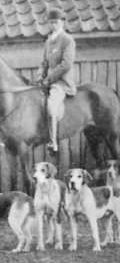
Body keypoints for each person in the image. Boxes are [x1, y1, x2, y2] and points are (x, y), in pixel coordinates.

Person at [37, 8, 76, 154]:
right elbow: (43, 62)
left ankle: (53, 142)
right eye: (50, 23)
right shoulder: (49, 41)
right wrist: (40, 75)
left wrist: (49, 78)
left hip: (61, 83)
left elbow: (66, 64)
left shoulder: (67, 40)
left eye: (56, 22)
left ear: (62, 22)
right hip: (48, 82)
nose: (53, 25)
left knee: (51, 106)